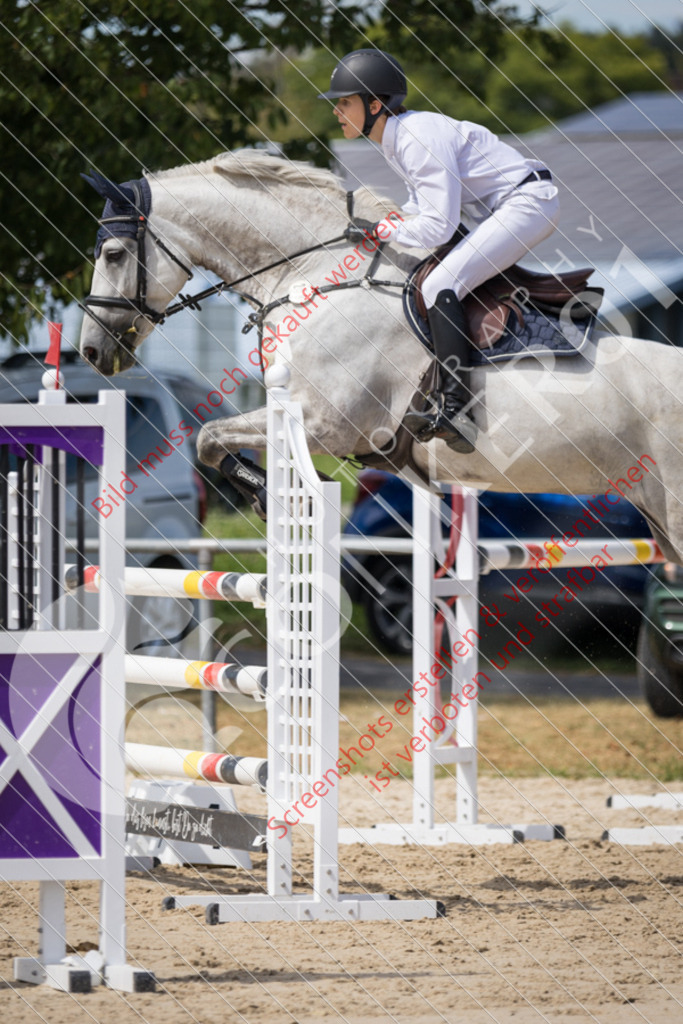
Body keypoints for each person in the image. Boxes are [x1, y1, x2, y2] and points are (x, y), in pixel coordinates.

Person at [318, 49, 560, 453]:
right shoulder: (398, 138)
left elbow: (438, 225)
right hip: (501, 208)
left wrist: (381, 230)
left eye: (345, 102)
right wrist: (381, 228)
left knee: (440, 285)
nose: (336, 111)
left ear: (375, 104)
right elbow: (418, 208)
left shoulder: (415, 137)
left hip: (526, 204)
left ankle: (457, 408)